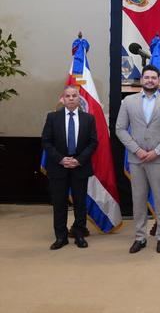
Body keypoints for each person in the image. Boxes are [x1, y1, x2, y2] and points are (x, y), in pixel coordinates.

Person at [116, 64, 160, 254]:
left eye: (153, 77)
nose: (150, 80)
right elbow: (120, 129)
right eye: (147, 77)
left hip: (158, 159)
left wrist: (157, 151)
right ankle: (140, 237)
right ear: (141, 80)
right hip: (137, 160)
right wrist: (136, 150)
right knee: (138, 200)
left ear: (158, 80)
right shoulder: (128, 101)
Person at [41, 85, 98, 250]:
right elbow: (46, 141)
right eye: (68, 96)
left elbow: (93, 142)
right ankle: (61, 236)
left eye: (74, 96)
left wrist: (78, 160)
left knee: (80, 203)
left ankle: (79, 233)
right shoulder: (52, 117)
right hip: (58, 166)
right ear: (63, 99)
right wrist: (61, 159)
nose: (71, 98)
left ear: (79, 99)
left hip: (80, 166)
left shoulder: (88, 119)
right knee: (59, 203)